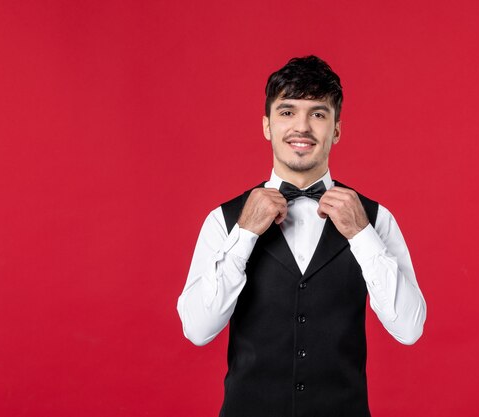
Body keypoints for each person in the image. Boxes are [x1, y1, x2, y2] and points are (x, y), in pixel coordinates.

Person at [177, 55, 426, 417]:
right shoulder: (225, 219)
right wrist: (245, 234)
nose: (302, 127)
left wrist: (361, 234)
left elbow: (409, 328)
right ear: (267, 125)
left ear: (336, 129)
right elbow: (197, 329)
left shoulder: (374, 218)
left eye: (318, 114)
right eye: (287, 112)